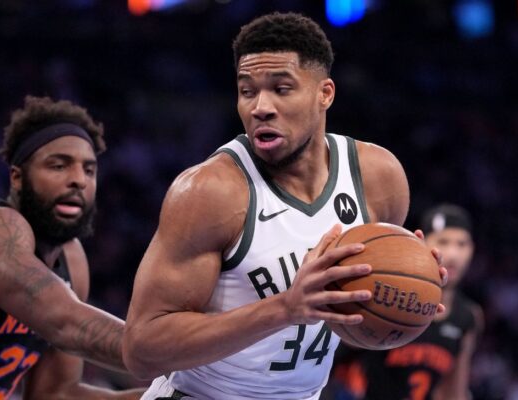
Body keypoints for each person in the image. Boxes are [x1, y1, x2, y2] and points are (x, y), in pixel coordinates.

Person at [123, 12, 445, 400]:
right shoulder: (211, 191)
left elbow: (350, 327)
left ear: (325, 93)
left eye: (281, 88)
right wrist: (285, 308)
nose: (261, 107)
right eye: (247, 91)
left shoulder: (379, 178)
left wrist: (404, 293)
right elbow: (141, 350)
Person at [0, 96, 144, 399]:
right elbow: (64, 323)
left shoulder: (72, 259)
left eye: (89, 170)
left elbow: (56, 394)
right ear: (17, 177)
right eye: (59, 166)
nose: (78, 180)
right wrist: (177, 357)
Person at [328, 203, 483, 400]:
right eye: (443, 242)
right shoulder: (388, 297)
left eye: (461, 244)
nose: (453, 255)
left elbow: (453, 393)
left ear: (472, 249)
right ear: (424, 244)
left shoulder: (468, 317)